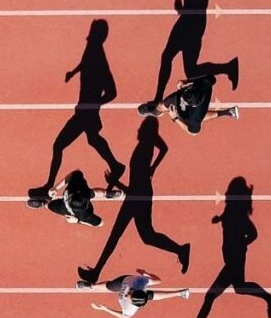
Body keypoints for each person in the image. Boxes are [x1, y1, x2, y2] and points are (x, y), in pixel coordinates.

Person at [76, 117, 191, 284]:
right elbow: (163, 149)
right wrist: (149, 170)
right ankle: (180, 250)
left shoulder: (145, 147)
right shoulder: (146, 146)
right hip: (139, 194)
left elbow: (162, 151)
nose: (138, 130)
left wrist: (119, 181)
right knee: (147, 236)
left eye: (141, 127)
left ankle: (96, 273)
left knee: (118, 234)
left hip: (138, 195)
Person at [172, 177, 271, 318]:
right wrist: (220, 219)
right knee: (239, 288)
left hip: (234, 261)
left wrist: (240, 244)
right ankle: (270, 298)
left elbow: (253, 234)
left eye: (229, 192)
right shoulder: (231, 211)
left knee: (210, 296)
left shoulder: (239, 215)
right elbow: (232, 222)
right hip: (232, 259)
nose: (227, 194)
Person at [28, 20, 125, 200]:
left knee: (59, 145)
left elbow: (112, 92)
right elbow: (85, 62)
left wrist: (93, 104)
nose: (88, 36)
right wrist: (74, 72)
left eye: (92, 32)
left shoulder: (100, 60)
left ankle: (49, 187)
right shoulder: (92, 50)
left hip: (85, 113)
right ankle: (115, 165)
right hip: (85, 112)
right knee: (93, 139)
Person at [146, 0, 239, 109]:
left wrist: (184, 2)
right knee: (190, 70)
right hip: (193, 20)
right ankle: (228, 67)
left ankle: (158, 99)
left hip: (190, 22)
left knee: (168, 56)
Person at [138, 74, 239, 135]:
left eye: (184, 98)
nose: (182, 97)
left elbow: (192, 132)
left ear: (190, 104)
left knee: (196, 119)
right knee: (162, 105)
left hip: (187, 114)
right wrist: (187, 81)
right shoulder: (205, 83)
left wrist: (175, 118)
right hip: (196, 110)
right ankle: (156, 111)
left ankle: (158, 110)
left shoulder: (193, 118)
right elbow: (210, 77)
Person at [78, 268, 189, 318]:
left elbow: (122, 316)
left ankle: (180, 293)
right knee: (110, 286)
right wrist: (146, 274)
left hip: (138, 294)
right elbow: (158, 281)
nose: (126, 295)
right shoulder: (139, 281)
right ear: (137, 290)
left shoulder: (130, 309)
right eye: (130, 292)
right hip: (124, 281)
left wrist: (105, 309)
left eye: (128, 296)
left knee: (150, 296)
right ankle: (91, 286)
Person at [28, 170, 120, 227]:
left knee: (49, 205)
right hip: (78, 210)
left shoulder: (73, 190)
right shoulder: (84, 212)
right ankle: (107, 193)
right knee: (93, 192)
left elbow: (100, 224)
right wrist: (56, 188)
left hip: (65, 209)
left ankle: (43, 203)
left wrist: (56, 188)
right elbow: (100, 223)